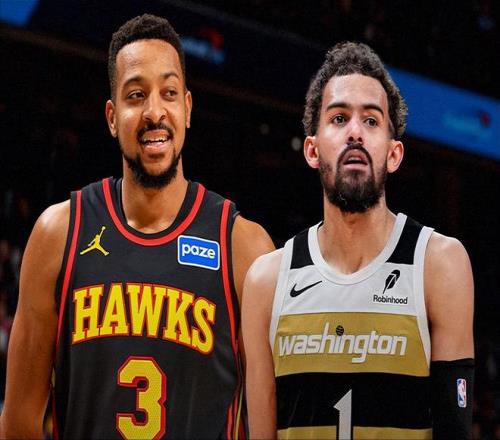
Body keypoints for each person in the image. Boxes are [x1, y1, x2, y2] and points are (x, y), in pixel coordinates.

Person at [0, 14, 274, 439]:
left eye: (168, 93)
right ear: (112, 117)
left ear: (187, 109)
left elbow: (269, 423)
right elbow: (19, 422)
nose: (154, 112)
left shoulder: (244, 247)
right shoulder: (58, 234)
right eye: (136, 95)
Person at [242, 42, 474, 439]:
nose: (355, 132)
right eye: (338, 118)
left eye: (371, 120)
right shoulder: (266, 281)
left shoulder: (440, 264)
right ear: (312, 150)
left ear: (394, 154)